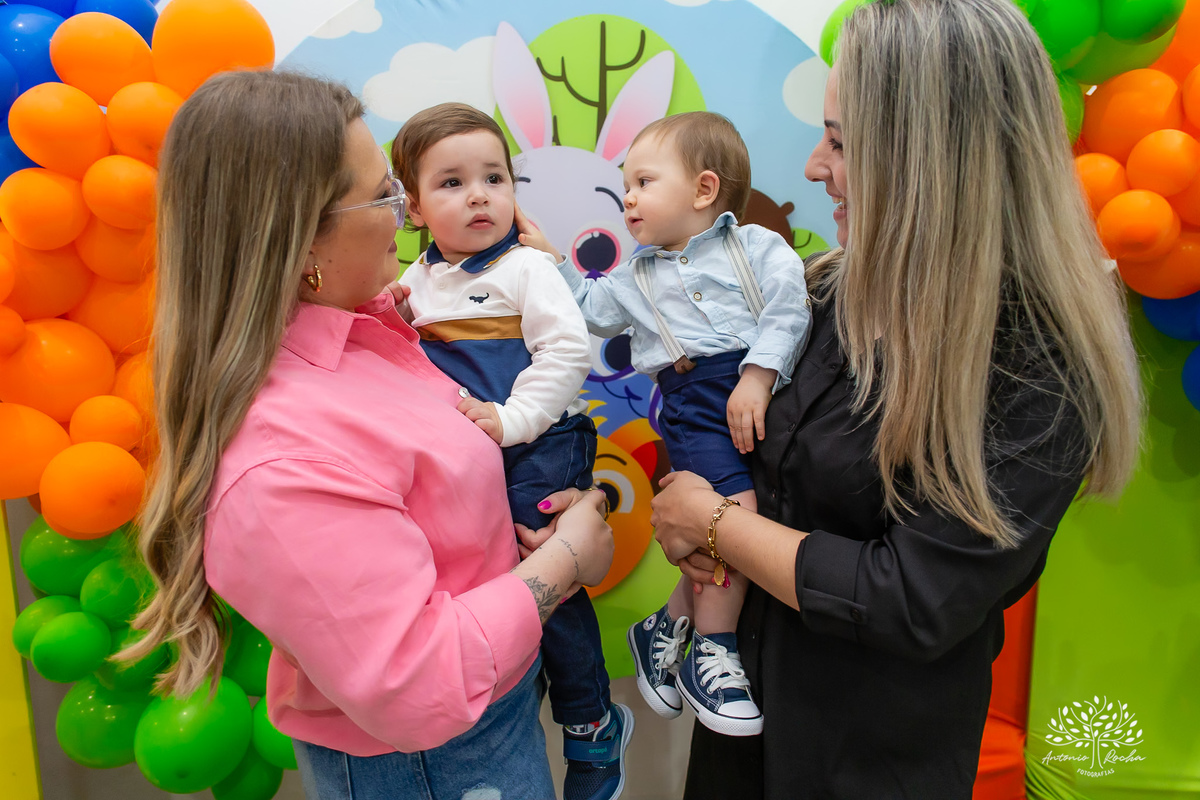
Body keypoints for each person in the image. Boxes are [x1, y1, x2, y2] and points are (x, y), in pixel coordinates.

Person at [648, 1, 1143, 797]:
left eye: (840, 143)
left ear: (931, 158)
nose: (813, 166)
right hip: (743, 739)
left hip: (869, 764)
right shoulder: (824, 297)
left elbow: (912, 598)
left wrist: (713, 524)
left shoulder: (1038, 363)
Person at [120, 71, 613, 800]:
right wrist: (566, 560)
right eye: (388, 195)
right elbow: (416, 682)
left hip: (496, 709)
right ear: (303, 236)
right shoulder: (283, 457)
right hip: (432, 763)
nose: (404, 217)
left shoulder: (374, 332)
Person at [390, 102, 631, 800]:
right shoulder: (414, 286)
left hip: (536, 452)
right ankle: (517, 708)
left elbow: (565, 350)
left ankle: (591, 727)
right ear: (411, 208)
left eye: (494, 178)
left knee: (544, 572)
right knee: (486, 589)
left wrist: (513, 418)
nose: (479, 196)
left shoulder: (529, 268)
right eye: (452, 183)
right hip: (463, 460)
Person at [547, 111, 811, 737]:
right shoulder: (634, 278)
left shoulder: (759, 248)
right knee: (734, 516)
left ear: (703, 189)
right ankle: (712, 650)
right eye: (625, 184)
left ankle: (665, 624)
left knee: (757, 518)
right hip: (694, 404)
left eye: (642, 181)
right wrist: (544, 257)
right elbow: (583, 308)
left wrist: (758, 376)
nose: (628, 197)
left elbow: (789, 306)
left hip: (761, 394)